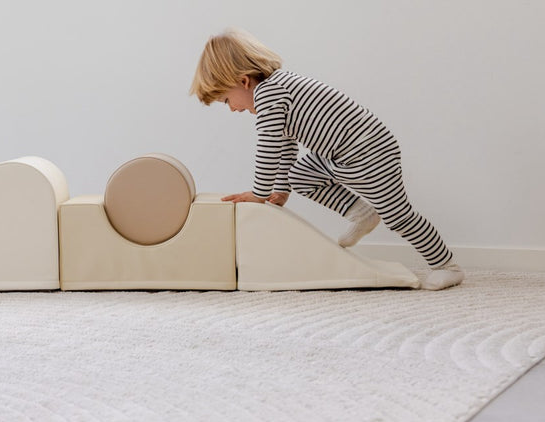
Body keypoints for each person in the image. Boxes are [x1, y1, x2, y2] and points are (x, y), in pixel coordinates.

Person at [189, 28, 463, 290]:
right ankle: (361, 213)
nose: (232, 109)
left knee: (398, 215)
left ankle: (446, 265)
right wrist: (281, 189)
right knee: (300, 176)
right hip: (341, 156)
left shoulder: (268, 94)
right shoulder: (277, 89)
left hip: (370, 152)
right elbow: (285, 145)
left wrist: (259, 193)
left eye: (227, 100)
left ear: (244, 82)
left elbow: (269, 146)